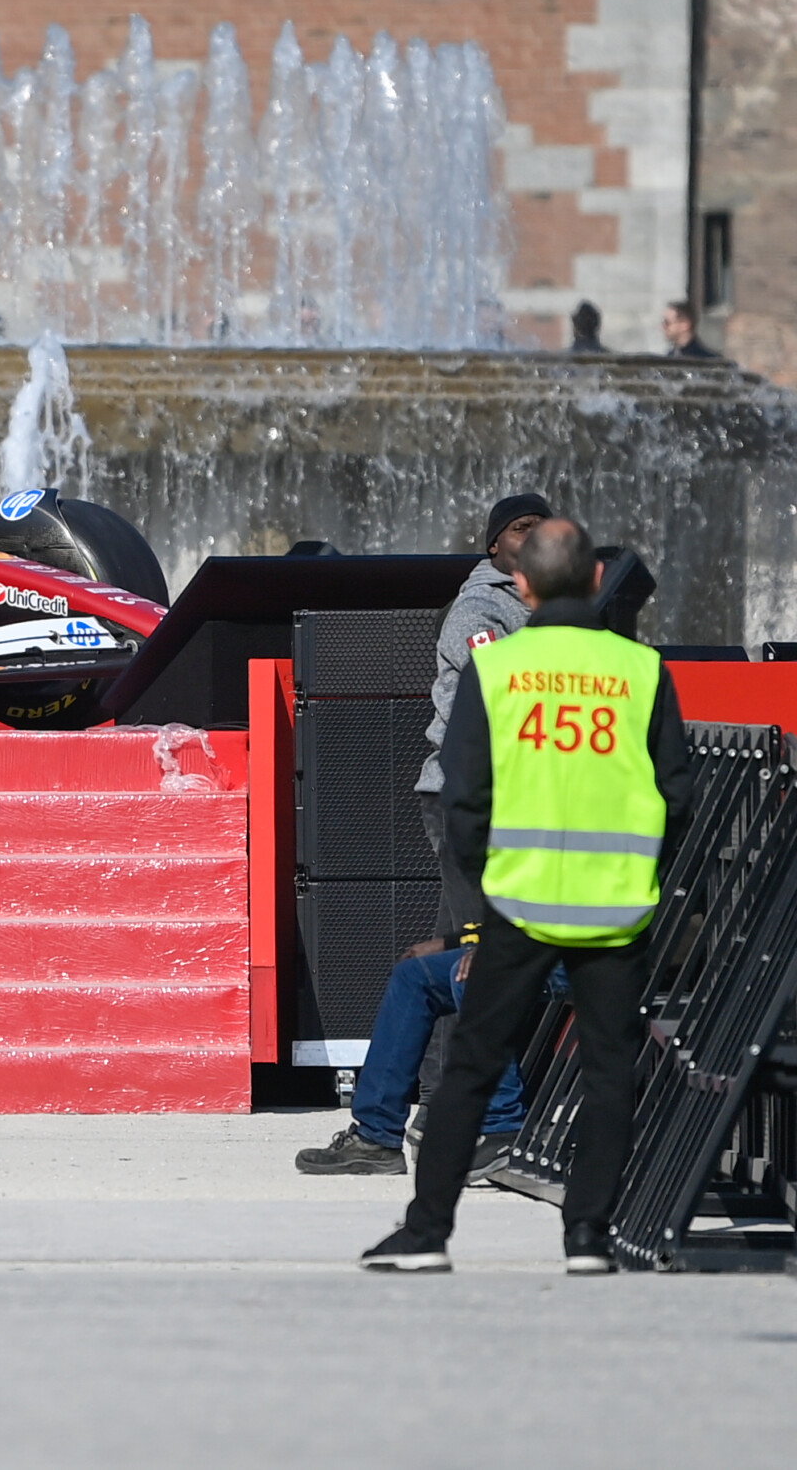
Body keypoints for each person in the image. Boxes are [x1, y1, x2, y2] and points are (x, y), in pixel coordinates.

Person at [361, 518, 694, 1274]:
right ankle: (588, 1238)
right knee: (611, 1071)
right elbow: (678, 794)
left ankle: (426, 1232)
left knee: (472, 1066)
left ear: (524, 585)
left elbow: (464, 793)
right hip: (614, 907)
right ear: (596, 581)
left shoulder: (501, 669)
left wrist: (486, 888)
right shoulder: (641, 671)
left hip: (520, 901)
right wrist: (642, 874)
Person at [295, 493, 548, 1177]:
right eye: (520, 527)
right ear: (494, 544)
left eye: (542, 526)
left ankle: (397, 1125)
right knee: (478, 958)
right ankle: (489, 1125)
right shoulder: (481, 609)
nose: (533, 537)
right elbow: (505, 687)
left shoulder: (544, 609)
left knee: (432, 967)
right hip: (474, 800)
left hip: (516, 807)